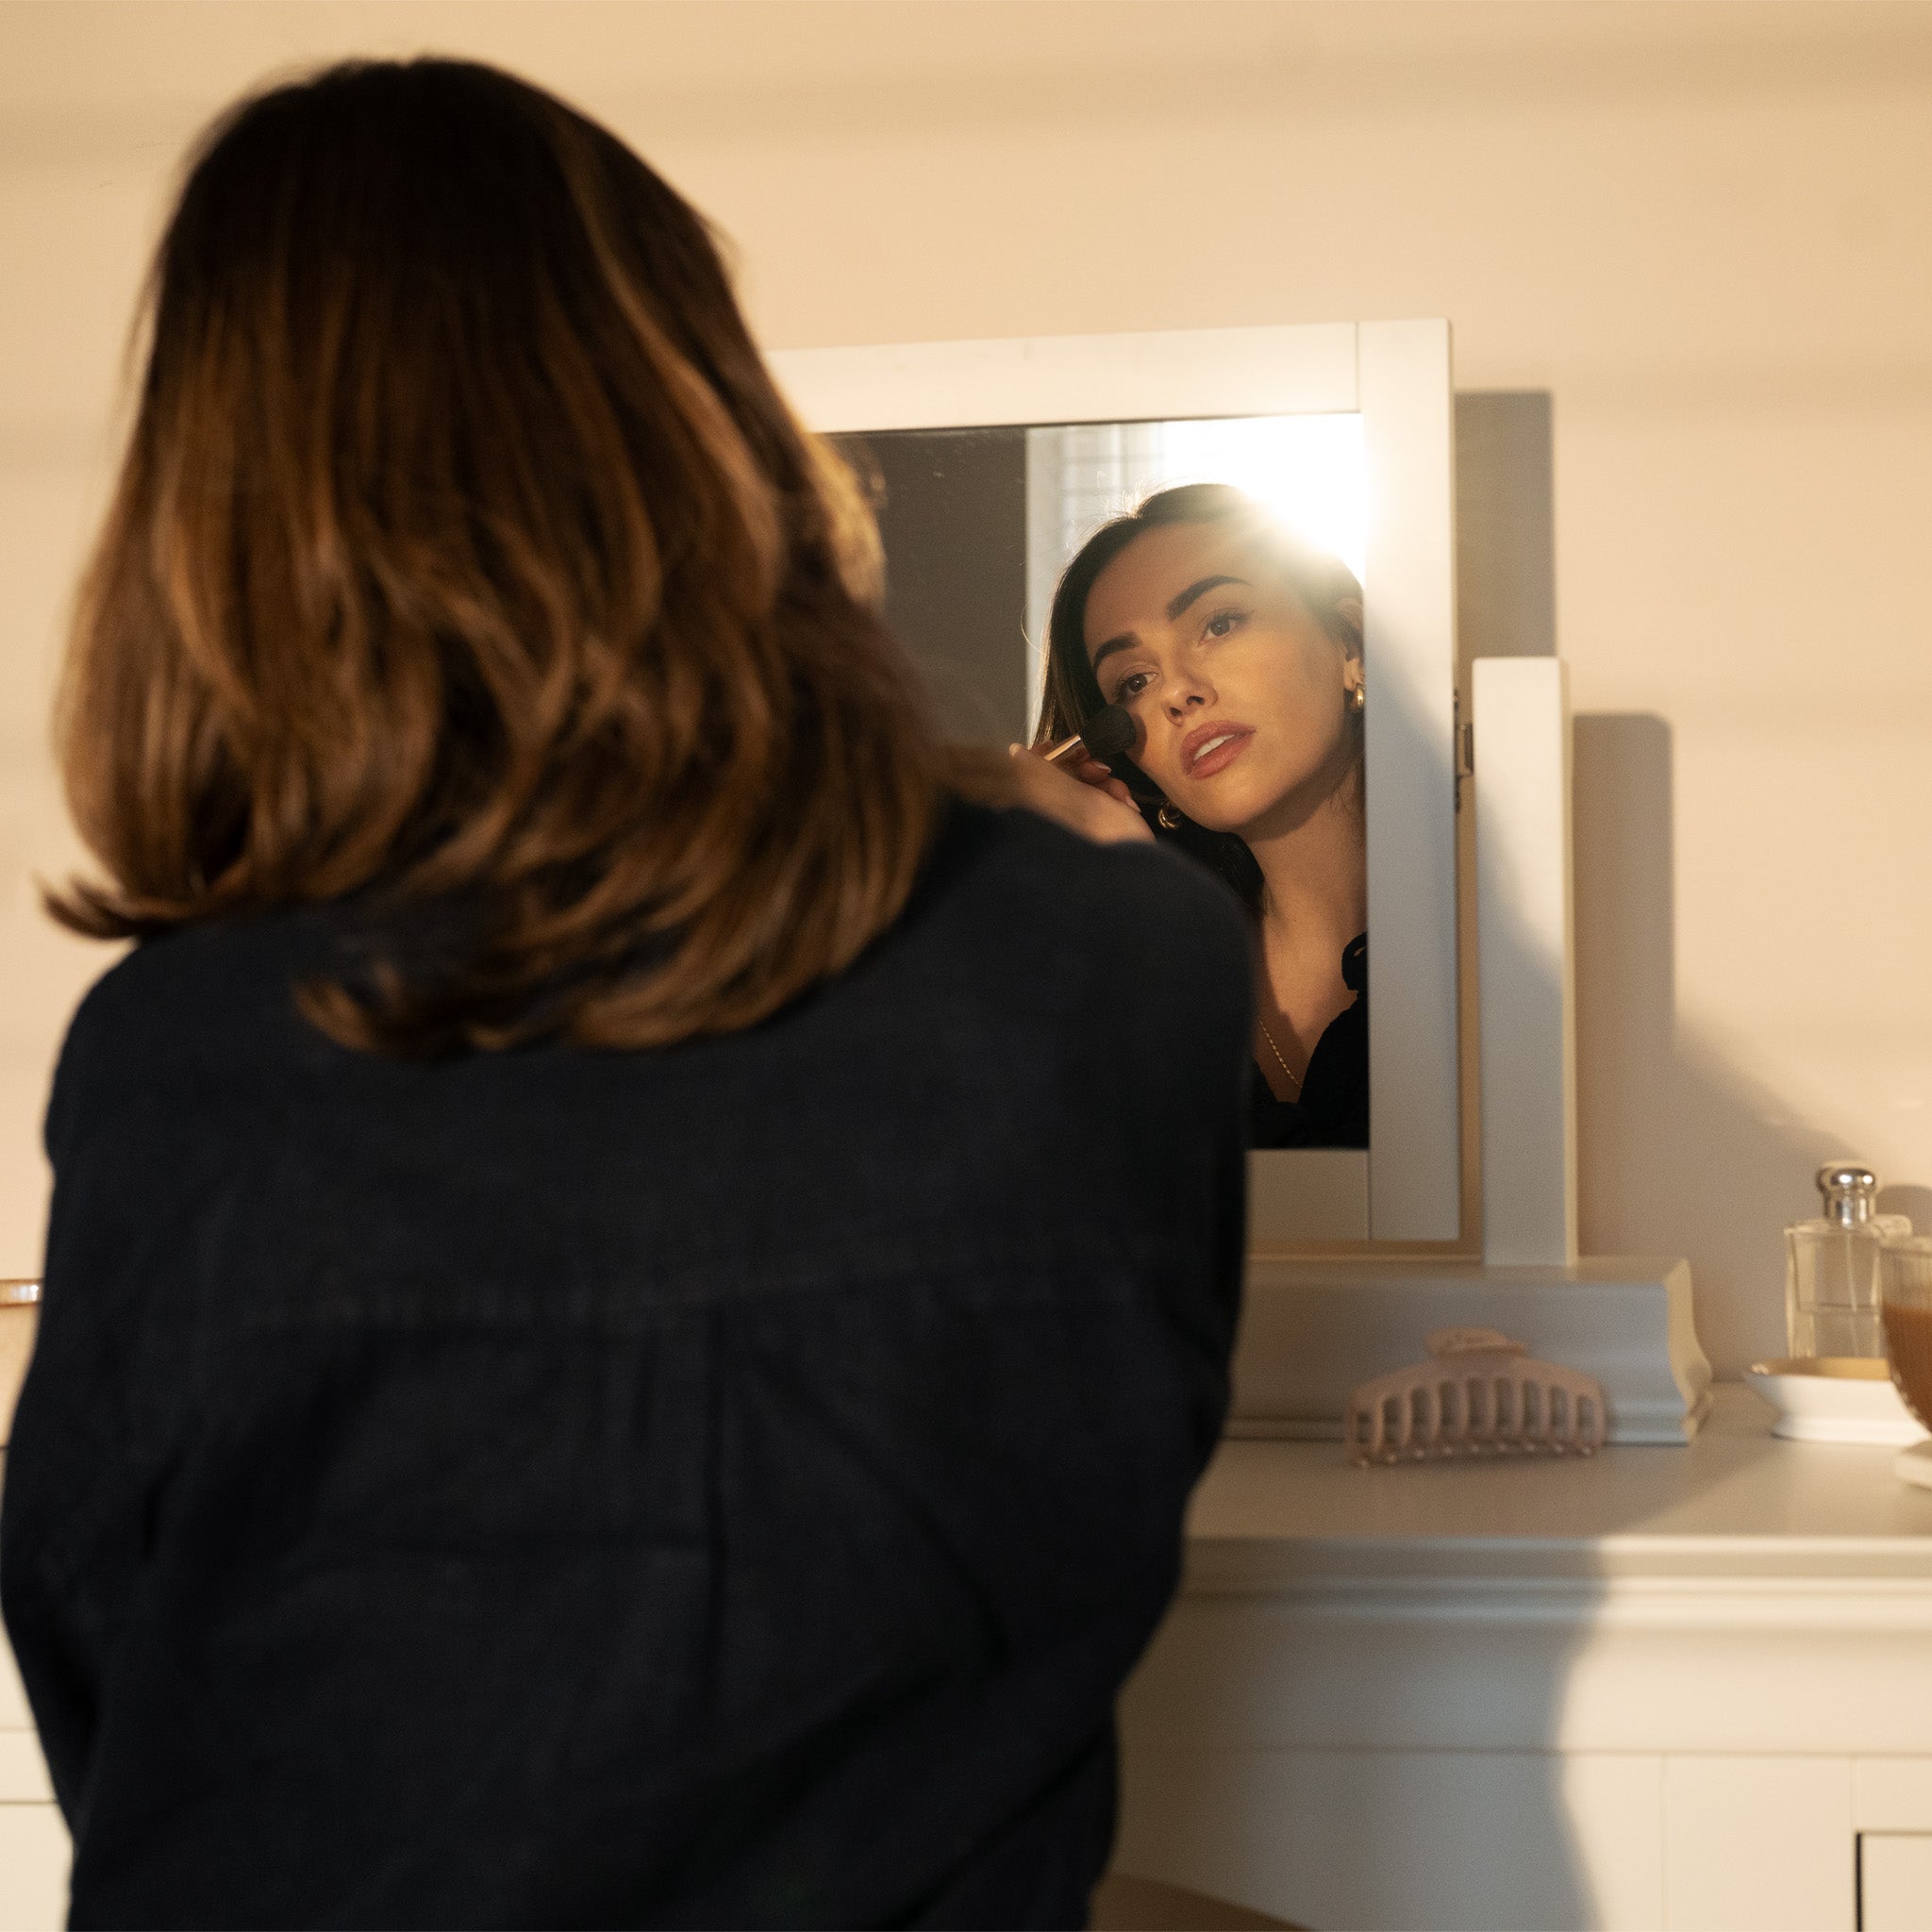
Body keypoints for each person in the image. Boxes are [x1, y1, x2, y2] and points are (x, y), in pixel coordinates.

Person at [0, 60, 1253, 1929]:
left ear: (226, 516)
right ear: (709, 421)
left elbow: (119, 1688)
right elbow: (1068, 1554)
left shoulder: (184, 1054)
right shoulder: (1128, 965)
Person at [1026, 486, 1368, 1152]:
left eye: (1219, 624)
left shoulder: (1481, 928)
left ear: (1349, 642)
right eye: (1133, 683)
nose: (1179, 691)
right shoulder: (1139, 977)